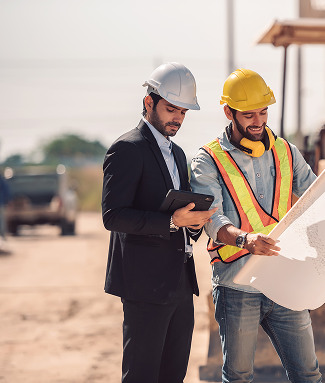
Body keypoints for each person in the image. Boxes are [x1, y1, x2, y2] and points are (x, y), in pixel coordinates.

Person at [190, 68, 321, 383]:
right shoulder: (208, 160)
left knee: (308, 375)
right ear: (228, 112)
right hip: (237, 285)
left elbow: (317, 196)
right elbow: (212, 220)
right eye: (248, 114)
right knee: (239, 377)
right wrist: (245, 239)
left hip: (284, 279)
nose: (259, 121)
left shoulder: (287, 152)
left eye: (263, 112)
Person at [101, 62, 216, 383]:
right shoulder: (127, 149)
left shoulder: (178, 153)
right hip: (143, 286)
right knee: (142, 376)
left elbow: (180, 216)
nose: (177, 118)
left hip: (180, 283)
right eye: (171, 109)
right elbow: (113, 215)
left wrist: (193, 223)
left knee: (173, 375)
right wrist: (170, 221)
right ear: (149, 102)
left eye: (183, 111)